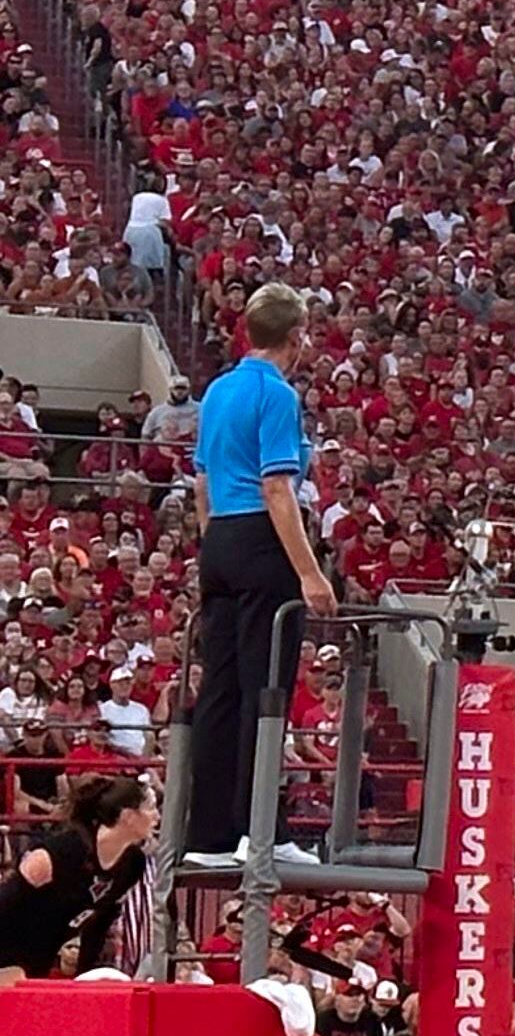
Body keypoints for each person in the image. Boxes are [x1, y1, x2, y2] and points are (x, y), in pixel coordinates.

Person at [184, 284, 333, 857]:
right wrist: (310, 572)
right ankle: (261, 831)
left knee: (219, 689)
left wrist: (213, 541)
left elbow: (201, 481)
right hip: (258, 537)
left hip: (219, 535)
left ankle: (211, 833)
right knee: (263, 688)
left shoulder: (218, 390)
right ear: (296, 338)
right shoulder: (277, 394)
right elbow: (277, 487)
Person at [0, 770, 154, 979]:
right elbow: (6, 903)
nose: (157, 816)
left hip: (41, 955)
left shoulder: (133, 864)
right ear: (127, 816)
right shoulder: (61, 852)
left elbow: (99, 925)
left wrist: (83, 978)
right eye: (151, 808)